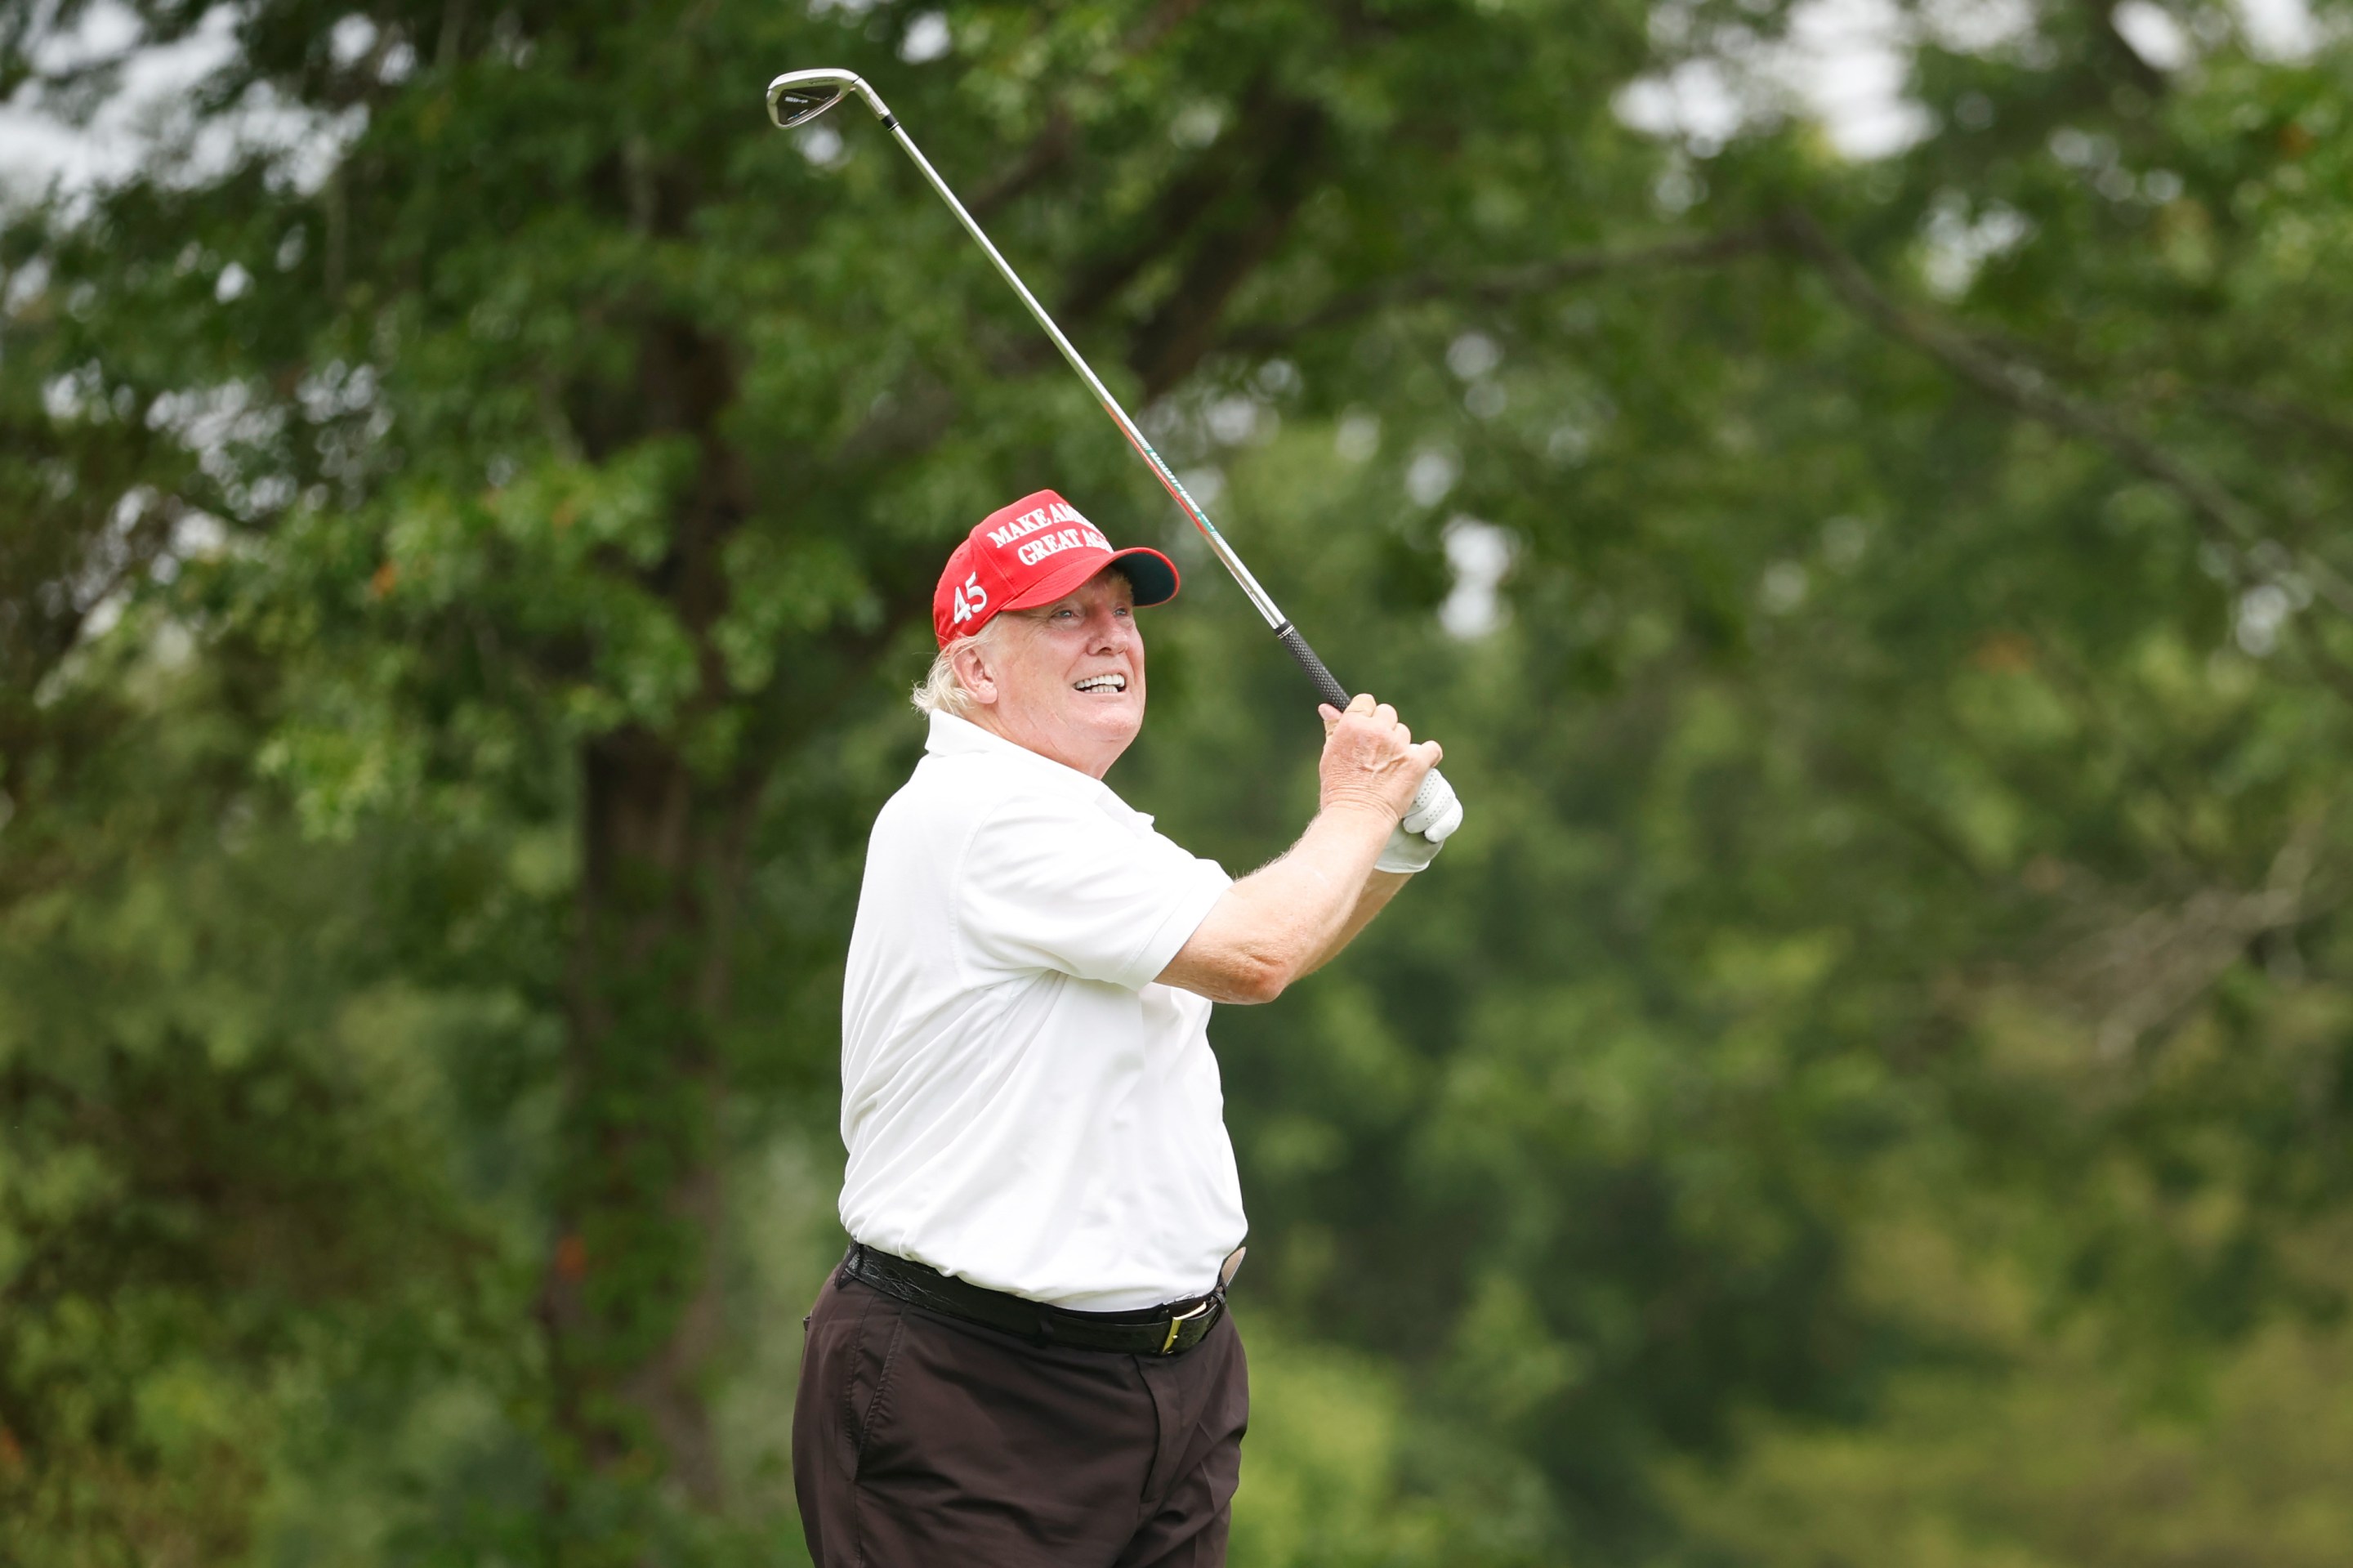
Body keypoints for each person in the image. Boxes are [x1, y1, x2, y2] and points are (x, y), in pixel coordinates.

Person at [793, 488, 1462, 1567]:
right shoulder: (982, 816)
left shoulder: (1082, 822)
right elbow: (1259, 954)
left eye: (1123, 611)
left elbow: (1258, 945)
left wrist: (1387, 849)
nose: (1111, 636)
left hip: (1167, 1386)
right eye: (1064, 615)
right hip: (978, 1394)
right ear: (975, 670)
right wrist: (1356, 809)